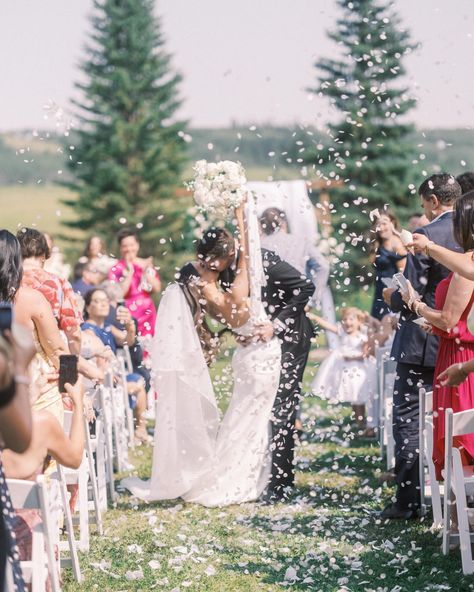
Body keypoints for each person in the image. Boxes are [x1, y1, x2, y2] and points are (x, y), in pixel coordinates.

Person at [380, 173, 463, 519]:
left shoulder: (426, 236)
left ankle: (409, 501)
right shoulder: (467, 231)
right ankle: (459, 498)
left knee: (409, 419)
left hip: (422, 341)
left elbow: (412, 291)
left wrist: (392, 297)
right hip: (460, 343)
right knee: (458, 418)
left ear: (432, 201)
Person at [400, 191, 474, 479]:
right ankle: (456, 519)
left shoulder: (467, 263)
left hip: (462, 355)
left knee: (462, 440)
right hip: (453, 351)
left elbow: (451, 316)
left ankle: (459, 516)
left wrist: (416, 305)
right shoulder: (465, 259)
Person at [81, 288, 150, 442]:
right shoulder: (89, 331)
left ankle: (139, 430)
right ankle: (139, 430)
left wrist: (130, 325)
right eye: (98, 301)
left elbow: (127, 341)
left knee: (139, 379)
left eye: (106, 301)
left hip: (113, 376)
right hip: (102, 383)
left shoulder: (106, 326)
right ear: (87, 307)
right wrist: (119, 382)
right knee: (139, 384)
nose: (103, 304)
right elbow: (101, 368)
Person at [17, 227, 83, 355]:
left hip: (15, 361)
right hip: (53, 359)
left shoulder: (7, 282)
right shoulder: (59, 284)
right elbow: (74, 335)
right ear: (43, 256)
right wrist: (70, 371)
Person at [310, 308, 377, 434]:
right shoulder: (343, 332)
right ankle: (359, 422)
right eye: (345, 319)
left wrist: (353, 357)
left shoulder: (363, 335)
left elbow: (366, 353)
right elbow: (328, 326)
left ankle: (363, 421)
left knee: (360, 396)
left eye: (351, 319)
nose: (347, 322)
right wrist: (315, 318)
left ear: (359, 321)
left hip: (359, 369)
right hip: (345, 370)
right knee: (353, 396)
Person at [259, 207, 329, 307]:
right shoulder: (301, 241)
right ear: (283, 223)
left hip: (270, 304)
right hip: (298, 301)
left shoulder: (260, 246)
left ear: (263, 226)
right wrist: (312, 301)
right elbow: (323, 266)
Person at [108, 230, 161, 338]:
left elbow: (157, 288)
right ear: (120, 248)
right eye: (124, 246)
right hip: (127, 312)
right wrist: (129, 272)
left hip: (147, 312)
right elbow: (118, 294)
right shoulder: (115, 269)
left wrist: (146, 271)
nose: (129, 249)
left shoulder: (145, 263)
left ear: (137, 245)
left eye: (131, 245)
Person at [370, 210, 407, 320]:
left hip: (391, 292)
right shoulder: (378, 244)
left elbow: (403, 273)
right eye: (378, 224)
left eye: (384, 223)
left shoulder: (397, 244)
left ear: (393, 223)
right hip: (379, 292)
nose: (381, 228)